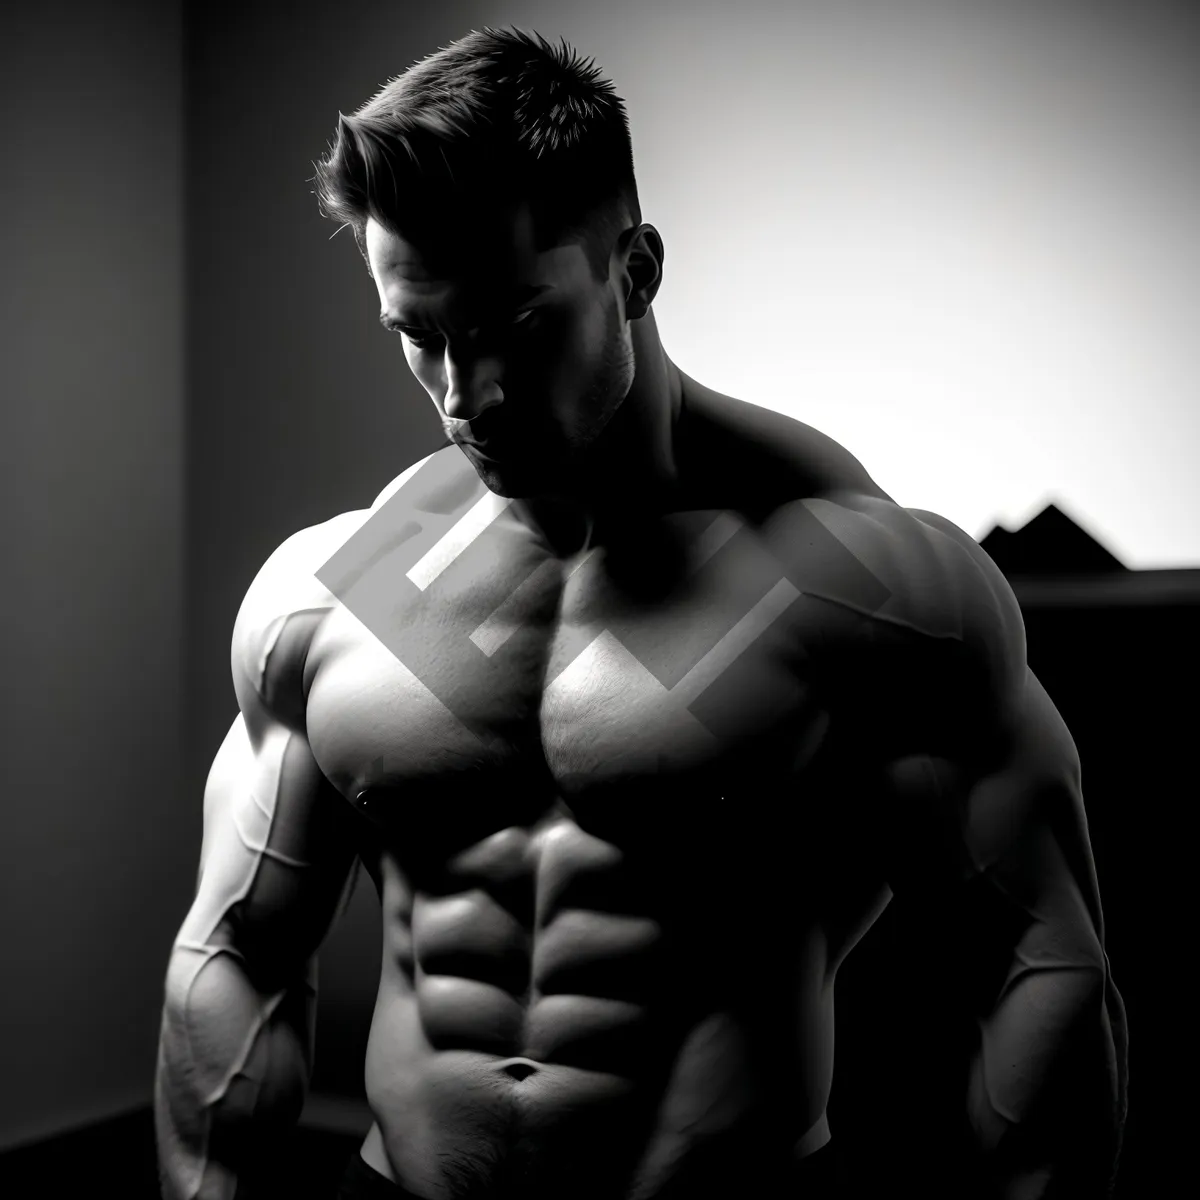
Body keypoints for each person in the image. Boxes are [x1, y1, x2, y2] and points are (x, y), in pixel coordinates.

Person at [154, 26, 1128, 1200]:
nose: (472, 396)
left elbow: (1043, 968)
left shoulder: (856, 587)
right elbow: (238, 957)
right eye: (422, 338)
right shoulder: (338, 591)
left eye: (516, 326)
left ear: (636, 269)